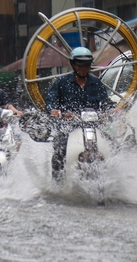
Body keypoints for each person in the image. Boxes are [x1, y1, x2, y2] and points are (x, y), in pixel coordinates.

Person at [44, 47, 114, 180]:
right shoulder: (62, 83)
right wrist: (54, 110)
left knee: (113, 144)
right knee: (60, 150)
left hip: (93, 127)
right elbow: (51, 100)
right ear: (73, 64)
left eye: (87, 65)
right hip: (69, 127)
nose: (83, 68)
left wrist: (111, 110)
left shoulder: (96, 83)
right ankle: (58, 182)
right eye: (80, 65)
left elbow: (106, 102)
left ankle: (113, 179)